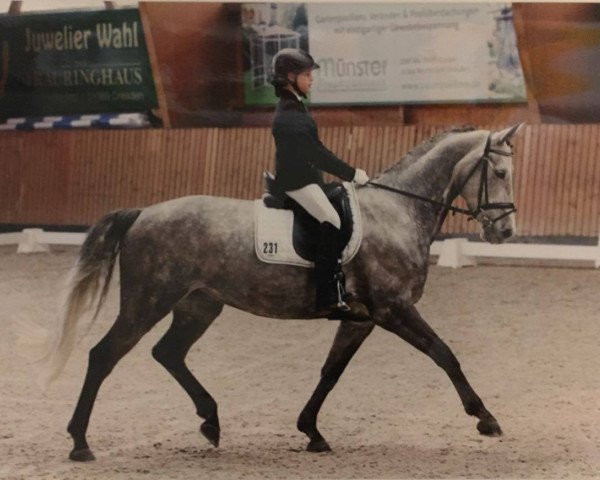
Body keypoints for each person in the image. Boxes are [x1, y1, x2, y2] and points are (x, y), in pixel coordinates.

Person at [270, 48, 370, 321]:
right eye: (306, 74)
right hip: (296, 182)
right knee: (331, 220)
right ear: (290, 77)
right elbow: (316, 153)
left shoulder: (296, 105)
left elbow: (316, 149)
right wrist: (351, 173)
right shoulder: (290, 113)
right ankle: (327, 297)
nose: (311, 79)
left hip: (306, 178)